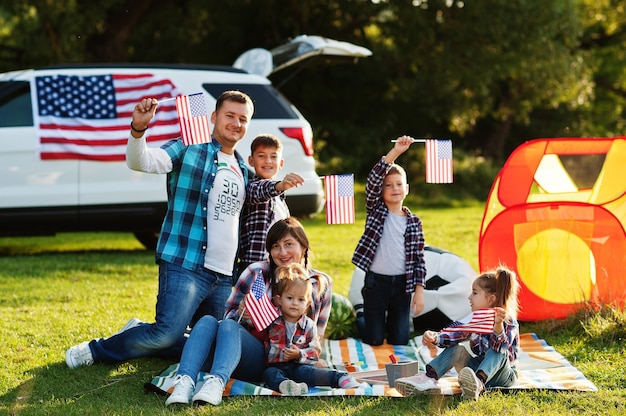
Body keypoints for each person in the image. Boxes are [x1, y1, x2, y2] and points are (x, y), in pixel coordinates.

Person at [65, 90, 255, 369]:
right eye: (230, 116)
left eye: (243, 119)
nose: (236, 123)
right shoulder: (189, 146)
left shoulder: (242, 168)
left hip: (223, 275)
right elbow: (141, 161)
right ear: (214, 117)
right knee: (166, 334)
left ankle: (139, 330)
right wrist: (138, 128)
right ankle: (96, 350)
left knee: (212, 347)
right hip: (186, 263)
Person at [164, 217, 332, 406]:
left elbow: (317, 334)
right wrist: (244, 315)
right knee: (208, 321)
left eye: (288, 244)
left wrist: (310, 359)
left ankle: (217, 382)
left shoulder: (319, 283)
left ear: (303, 246)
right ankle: (183, 383)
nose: (282, 252)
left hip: (273, 362)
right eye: (276, 246)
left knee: (218, 328)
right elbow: (228, 318)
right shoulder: (256, 273)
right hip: (237, 348)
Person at [394, 266, 520, 401]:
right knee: (457, 349)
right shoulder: (475, 319)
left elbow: (501, 348)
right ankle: (429, 379)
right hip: (477, 369)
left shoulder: (508, 321)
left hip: (503, 375)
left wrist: (498, 326)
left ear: (491, 299)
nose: (469, 297)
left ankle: (476, 383)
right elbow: (456, 333)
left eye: (475, 293)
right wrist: (436, 337)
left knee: (499, 351)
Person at [351, 135, 427, 346]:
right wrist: (395, 153)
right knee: (374, 338)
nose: (394, 188)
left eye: (399, 184)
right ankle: (361, 315)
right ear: (380, 191)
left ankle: (399, 323)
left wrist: (419, 292)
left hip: (403, 284)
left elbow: (419, 259)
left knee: (399, 340)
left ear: (407, 189)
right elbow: (374, 178)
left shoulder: (414, 223)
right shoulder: (376, 210)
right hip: (376, 282)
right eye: (388, 185)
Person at [262, 263, 365, 395]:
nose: (294, 303)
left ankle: (339, 378)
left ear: (307, 304)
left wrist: (299, 354)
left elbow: (315, 350)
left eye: (300, 300)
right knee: (269, 373)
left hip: (300, 365)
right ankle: (287, 386)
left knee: (308, 373)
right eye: (289, 298)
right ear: (279, 300)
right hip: (278, 366)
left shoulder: (309, 325)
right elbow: (266, 346)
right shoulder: (273, 321)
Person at [237, 134, 304, 277]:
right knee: (256, 299)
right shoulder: (251, 188)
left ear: (281, 163)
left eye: (274, 156)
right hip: (256, 267)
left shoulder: (280, 200)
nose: (268, 161)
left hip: (279, 265)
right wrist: (281, 185)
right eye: (261, 156)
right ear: (251, 160)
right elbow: (260, 191)